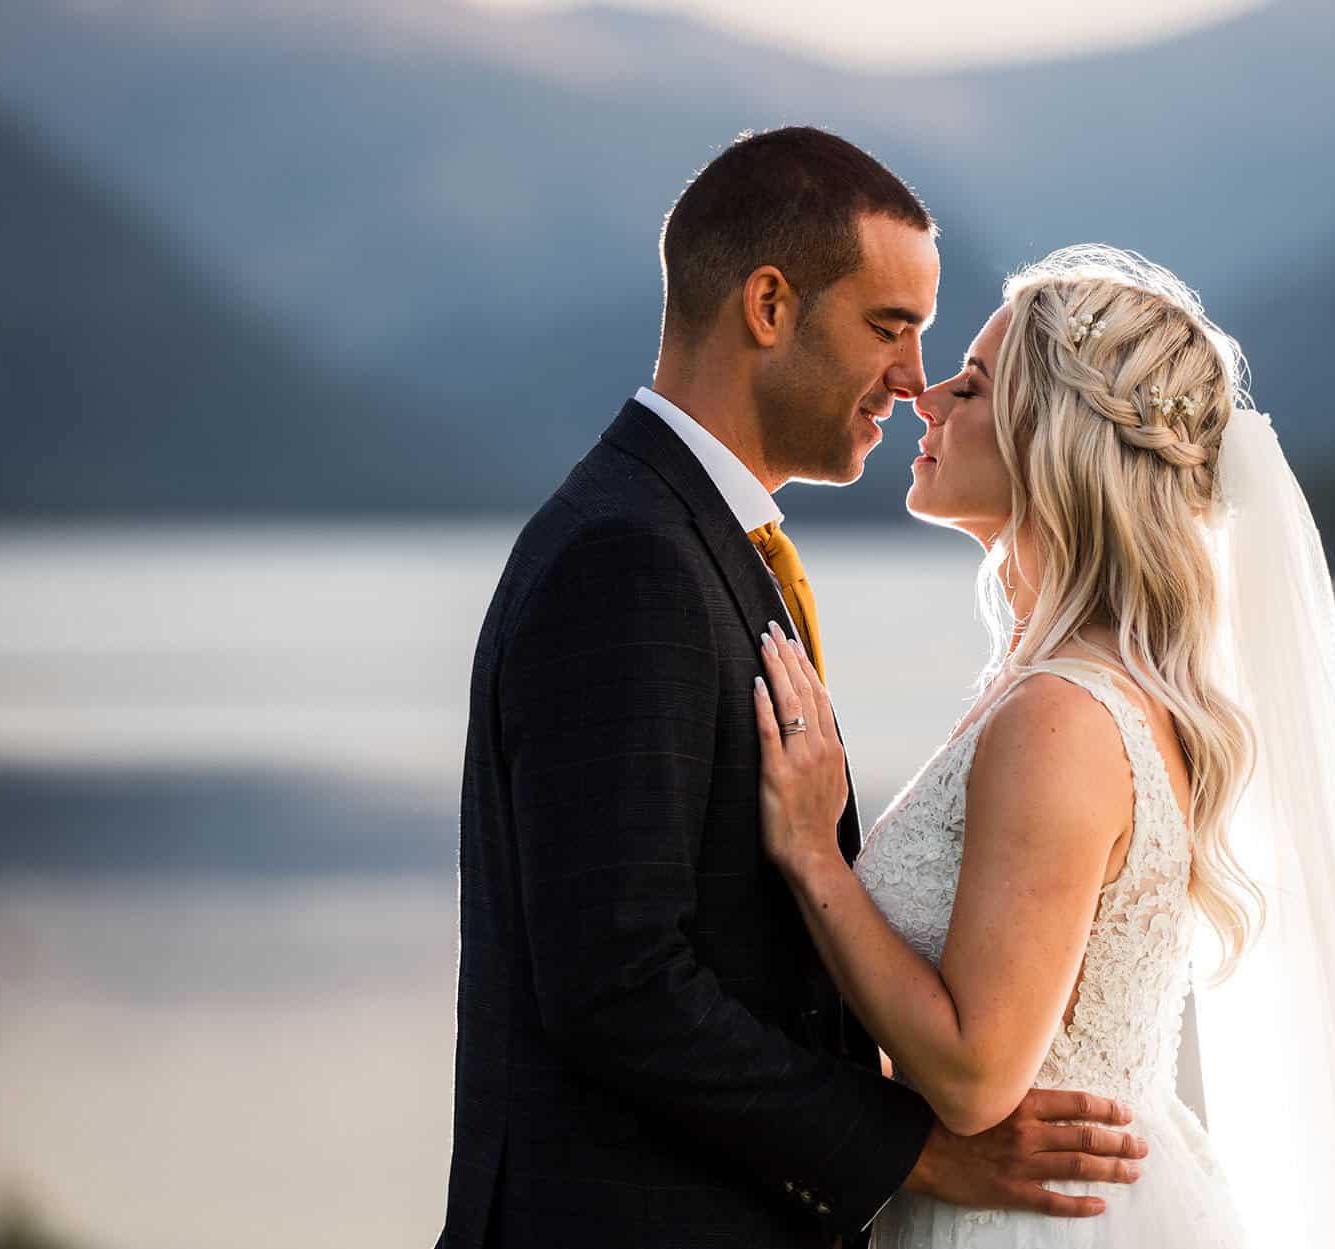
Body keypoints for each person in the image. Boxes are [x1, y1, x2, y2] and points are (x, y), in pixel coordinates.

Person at [436, 130, 1145, 1249]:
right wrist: (913, 1150)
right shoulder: (627, 558)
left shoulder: (695, 539)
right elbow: (617, 984)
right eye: (890, 327)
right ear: (769, 305)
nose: (914, 380)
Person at [752, 245, 1335, 1248]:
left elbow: (979, 1072)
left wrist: (813, 856)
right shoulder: (1072, 688)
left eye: (974, 384)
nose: (927, 396)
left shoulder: (1062, 715)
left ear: (1056, 439)